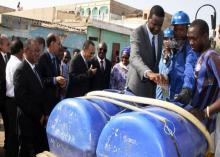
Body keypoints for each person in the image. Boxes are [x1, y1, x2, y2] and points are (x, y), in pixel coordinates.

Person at [187, 19, 220, 157]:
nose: (191, 42)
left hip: (207, 128)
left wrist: (206, 112)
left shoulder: (213, 57)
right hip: (198, 124)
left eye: (194, 38)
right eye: (189, 39)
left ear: (205, 36)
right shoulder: (201, 56)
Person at [14, 38, 49, 157]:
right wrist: (39, 115)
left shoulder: (36, 68)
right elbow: (21, 99)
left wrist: (45, 113)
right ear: (26, 51)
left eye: (39, 51)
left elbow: (41, 93)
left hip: (38, 122)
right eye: (35, 51)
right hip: (27, 123)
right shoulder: (21, 70)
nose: (38, 54)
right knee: (26, 151)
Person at [126, 5, 165, 98]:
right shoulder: (137, 33)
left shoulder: (161, 35)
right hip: (135, 91)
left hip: (150, 93)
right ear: (148, 18)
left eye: (160, 25)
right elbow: (134, 57)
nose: (157, 28)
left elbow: (154, 62)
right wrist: (148, 73)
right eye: (154, 24)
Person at [168, 11, 198, 105]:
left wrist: (187, 88)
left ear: (187, 30)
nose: (178, 33)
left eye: (181, 29)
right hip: (172, 91)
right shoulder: (173, 47)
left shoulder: (190, 48)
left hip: (183, 94)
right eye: (176, 29)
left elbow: (189, 67)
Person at [36, 33, 66, 116]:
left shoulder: (57, 59)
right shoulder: (41, 59)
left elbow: (58, 76)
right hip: (45, 104)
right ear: (52, 44)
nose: (60, 46)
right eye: (58, 43)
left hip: (55, 102)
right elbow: (39, 80)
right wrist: (54, 80)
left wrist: (62, 83)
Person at [5, 39, 23, 157]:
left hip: (9, 101)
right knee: (14, 134)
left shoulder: (11, 61)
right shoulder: (17, 64)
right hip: (14, 102)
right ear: (21, 50)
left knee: (11, 133)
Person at [156, 28, 174, 100]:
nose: (168, 41)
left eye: (170, 39)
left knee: (165, 103)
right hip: (158, 88)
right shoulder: (159, 54)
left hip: (167, 88)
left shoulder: (175, 57)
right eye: (165, 39)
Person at [0, 35, 10, 150]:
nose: (9, 46)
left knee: (8, 124)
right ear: (1, 46)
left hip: (7, 98)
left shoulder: (9, 56)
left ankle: (7, 144)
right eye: (7, 44)